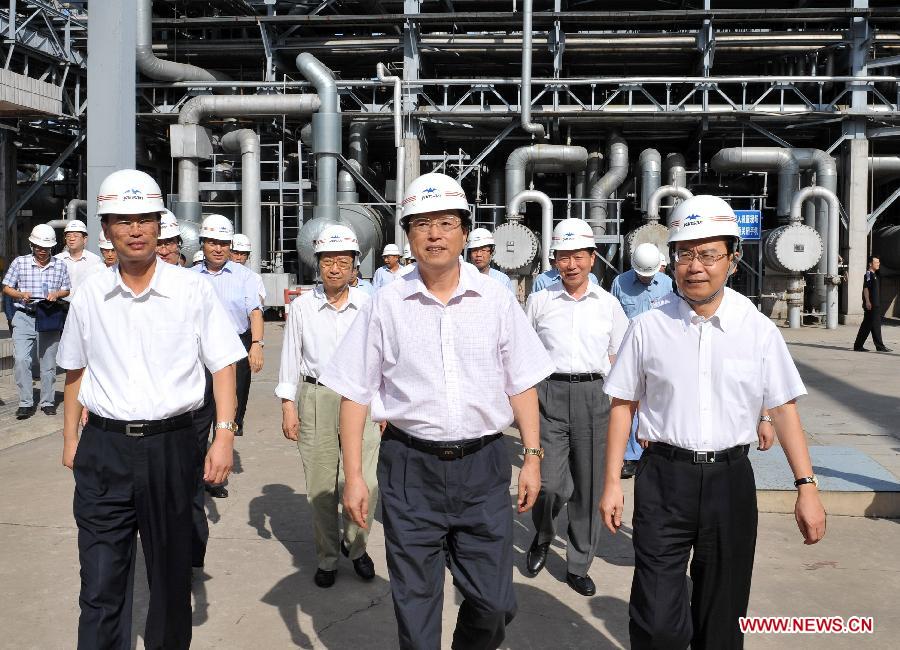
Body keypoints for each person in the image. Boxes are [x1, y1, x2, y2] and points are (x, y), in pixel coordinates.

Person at [320, 172, 554, 649]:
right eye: (421, 224)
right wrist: (355, 478)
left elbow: (522, 383)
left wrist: (532, 455)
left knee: (493, 603)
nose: (433, 234)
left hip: (484, 466)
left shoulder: (496, 300)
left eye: (445, 222)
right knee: (415, 602)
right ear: (408, 235)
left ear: (465, 232)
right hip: (411, 467)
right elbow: (355, 393)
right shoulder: (385, 303)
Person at [599, 195, 827, 650]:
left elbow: (783, 409)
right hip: (664, 478)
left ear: (733, 260)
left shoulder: (756, 328)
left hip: (730, 482)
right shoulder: (648, 327)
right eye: (685, 253)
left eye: (708, 254)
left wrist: (807, 487)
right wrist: (610, 482)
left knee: (723, 619)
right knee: (658, 620)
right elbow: (623, 404)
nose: (695, 266)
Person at [57, 168, 245, 650]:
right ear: (107, 229)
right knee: (100, 582)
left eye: (145, 219)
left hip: (172, 446)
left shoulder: (191, 289)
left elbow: (224, 363)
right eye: (124, 220)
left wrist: (223, 435)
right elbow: (74, 370)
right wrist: (70, 439)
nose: (136, 229)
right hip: (103, 450)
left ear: (159, 225)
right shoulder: (89, 296)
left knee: (168, 578)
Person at [524, 218, 629, 597]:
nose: (571, 265)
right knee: (549, 484)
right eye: (563, 257)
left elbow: (620, 358)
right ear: (554, 260)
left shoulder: (609, 305)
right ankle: (542, 535)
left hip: (595, 396)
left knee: (588, 486)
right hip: (548, 395)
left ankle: (579, 562)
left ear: (592, 258)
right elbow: (523, 353)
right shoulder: (539, 302)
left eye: (578, 256)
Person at [276, 224, 380, 589]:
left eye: (342, 261)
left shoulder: (369, 305)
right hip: (316, 398)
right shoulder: (303, 306)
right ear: (317, 265)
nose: (334, 268)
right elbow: (291, 355)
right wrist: (288, 404)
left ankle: (358, 547)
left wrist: (380, 408)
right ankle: (327, 556)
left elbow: (381, 360)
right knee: (322, 486)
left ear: (355, 266)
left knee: (365, 481)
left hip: (361, 400)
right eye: (327, 261)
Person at [192, 214, 265, 440]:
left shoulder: (245, 277)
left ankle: (222, 449)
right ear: (202, 243)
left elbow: (255, 312)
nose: (218, 248)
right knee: (199, 406)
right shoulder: (189, 277)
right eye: (212, 242)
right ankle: (197, 459)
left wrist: (257, 344)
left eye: (223, 243)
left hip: (236, 346)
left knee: (232, 406)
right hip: (200, 348)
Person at [610, 242, 674, 479]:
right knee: (628, 404)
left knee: (659, 400)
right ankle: (630, 456)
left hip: (660, 350)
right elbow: (614, 318)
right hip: (630, 351)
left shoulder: (668, 284)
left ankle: (656, 447)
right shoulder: (620, 283)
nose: (646, 279)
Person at [2, 223, 70, 419]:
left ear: (52, 247)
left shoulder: (60, 265)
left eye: (46, 248)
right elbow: (6, 287)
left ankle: (47, 401)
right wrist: (20, 294)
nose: (42, 251)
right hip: (24, 316)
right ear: (32, 245)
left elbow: (67, 289)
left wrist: (57, 293)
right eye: (39, 247)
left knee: (48, 362)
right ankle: (25, 402)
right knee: (22, 359)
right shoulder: (19, 263)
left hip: (48, 316)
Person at [54, 219, 102, 298]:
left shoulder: (95, 261)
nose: (71, 239)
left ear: (85, 239)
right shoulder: (57, 259)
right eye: (68, 236)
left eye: (76, 236)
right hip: (61, 306)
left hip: (85, 306)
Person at [853, 255, 891, 352]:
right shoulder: (869, 274)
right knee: (868, 325)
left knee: (874, 326)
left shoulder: (874, 274)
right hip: (871, 305)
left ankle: (878, 346)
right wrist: (867, 301)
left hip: (875, 304)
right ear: (870, 264)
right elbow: (866, 288)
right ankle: (859, 346)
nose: (878, 264)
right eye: (876, 262)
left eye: (878, 262)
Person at [467, 227, 517, 293]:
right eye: (474, 250)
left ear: (492, 252)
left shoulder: (502, 280)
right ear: (469, 254)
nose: (479, 254)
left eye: (483, 250)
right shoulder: (462, 278)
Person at [531, 248, 599, 293]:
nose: (572, 266)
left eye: (578, 258)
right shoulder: (543, 280)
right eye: (564, 258)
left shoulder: (591, 278)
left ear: (592, 259)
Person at [231, 233, 267, 306]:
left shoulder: (255, 278)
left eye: (243, 254)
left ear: (247, 257)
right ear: (228, 253)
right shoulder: (219, 274)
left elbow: (260, 302)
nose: (239, 258)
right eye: (235, 253)